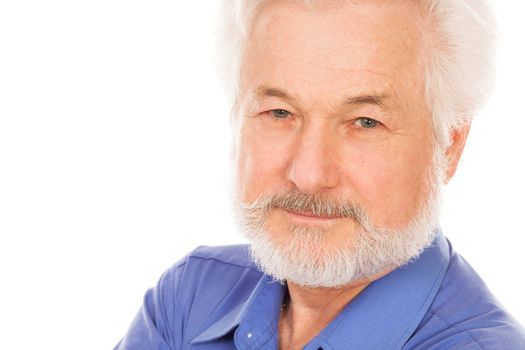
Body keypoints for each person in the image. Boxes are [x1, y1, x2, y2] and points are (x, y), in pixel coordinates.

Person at [115, 0, 525, 349]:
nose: (308, 174)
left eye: (365, 122)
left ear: (450, 144)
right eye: (279, 112)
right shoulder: (188, 299)